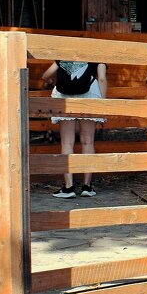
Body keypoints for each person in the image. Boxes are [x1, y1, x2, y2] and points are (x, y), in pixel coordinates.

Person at [41, 59, 108, 199]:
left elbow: (46, 75)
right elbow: (101, 78)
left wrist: (52, 83)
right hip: (90, 95)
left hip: (65, 96)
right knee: (88, 142)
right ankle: (87, 187)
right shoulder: (96, 54)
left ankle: (68, 187)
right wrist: (104, 105)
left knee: (66, 143)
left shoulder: (64, 55)